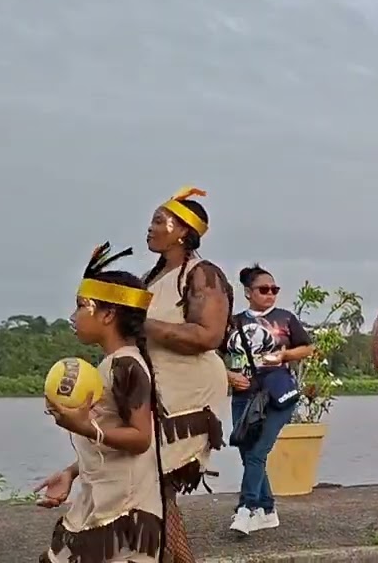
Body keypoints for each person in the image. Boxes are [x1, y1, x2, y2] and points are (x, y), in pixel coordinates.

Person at [37, 243, 167, 563]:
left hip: (126, 511)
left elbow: (140, 438)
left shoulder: (127, 365)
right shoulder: (110, 365)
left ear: (108, 314)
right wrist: (72, 472)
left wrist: (82, 425)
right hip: (102, 502)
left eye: (83, 305)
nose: (74, 316)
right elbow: (110, 432)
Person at [141, 187, 234, 563]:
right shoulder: (152, 277)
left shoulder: (202, 273)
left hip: (190, 390)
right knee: (152, 487)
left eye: (158, 221)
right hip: (156, 386)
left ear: (182, 231)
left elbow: (207, 335)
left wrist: (139, 323)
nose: (149, 228)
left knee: (155, 484)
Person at [224, 263, 314, 535]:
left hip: (275, 395)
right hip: (243, 396)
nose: (270, 294)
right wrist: (227, 375)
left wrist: (284, 356)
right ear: (248, 292)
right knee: (247, 452)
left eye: (274, 289)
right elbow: (211, 356)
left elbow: (307, 347)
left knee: (257, 452)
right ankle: (268, 510)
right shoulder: (233, 322)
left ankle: (247, 509)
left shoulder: (285, 318)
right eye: (264, 290)